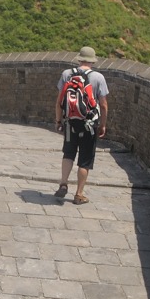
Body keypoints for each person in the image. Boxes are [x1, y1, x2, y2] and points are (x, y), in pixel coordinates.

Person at [53, 46, 109, 205]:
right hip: (89, 125)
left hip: (70, 123)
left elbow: (59, 101)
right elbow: (103, 105)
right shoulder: (98, 77)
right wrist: (103, 125)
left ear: (79, 59)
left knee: (68, 153)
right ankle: (79, 194)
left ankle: (63, 183)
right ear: (92, 61)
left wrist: (58, 121)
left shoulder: (67, 74)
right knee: (85, 160)